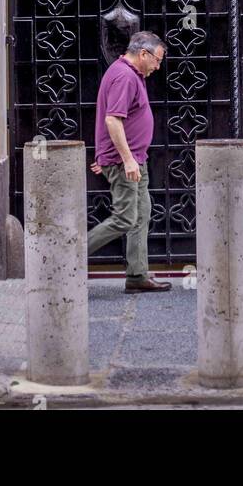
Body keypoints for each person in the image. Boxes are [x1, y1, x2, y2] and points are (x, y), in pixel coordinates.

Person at [87, 31, 172, 292]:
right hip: (127, 163)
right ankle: (65, 257)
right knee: (125, 218)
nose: (158, 66)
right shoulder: (124, 76)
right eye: (157, 60)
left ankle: (137, 275)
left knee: (141, 213)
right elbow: (112, 119)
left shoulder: (131, 74)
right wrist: (124, 160)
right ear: (143, 54)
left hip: (135, 159)